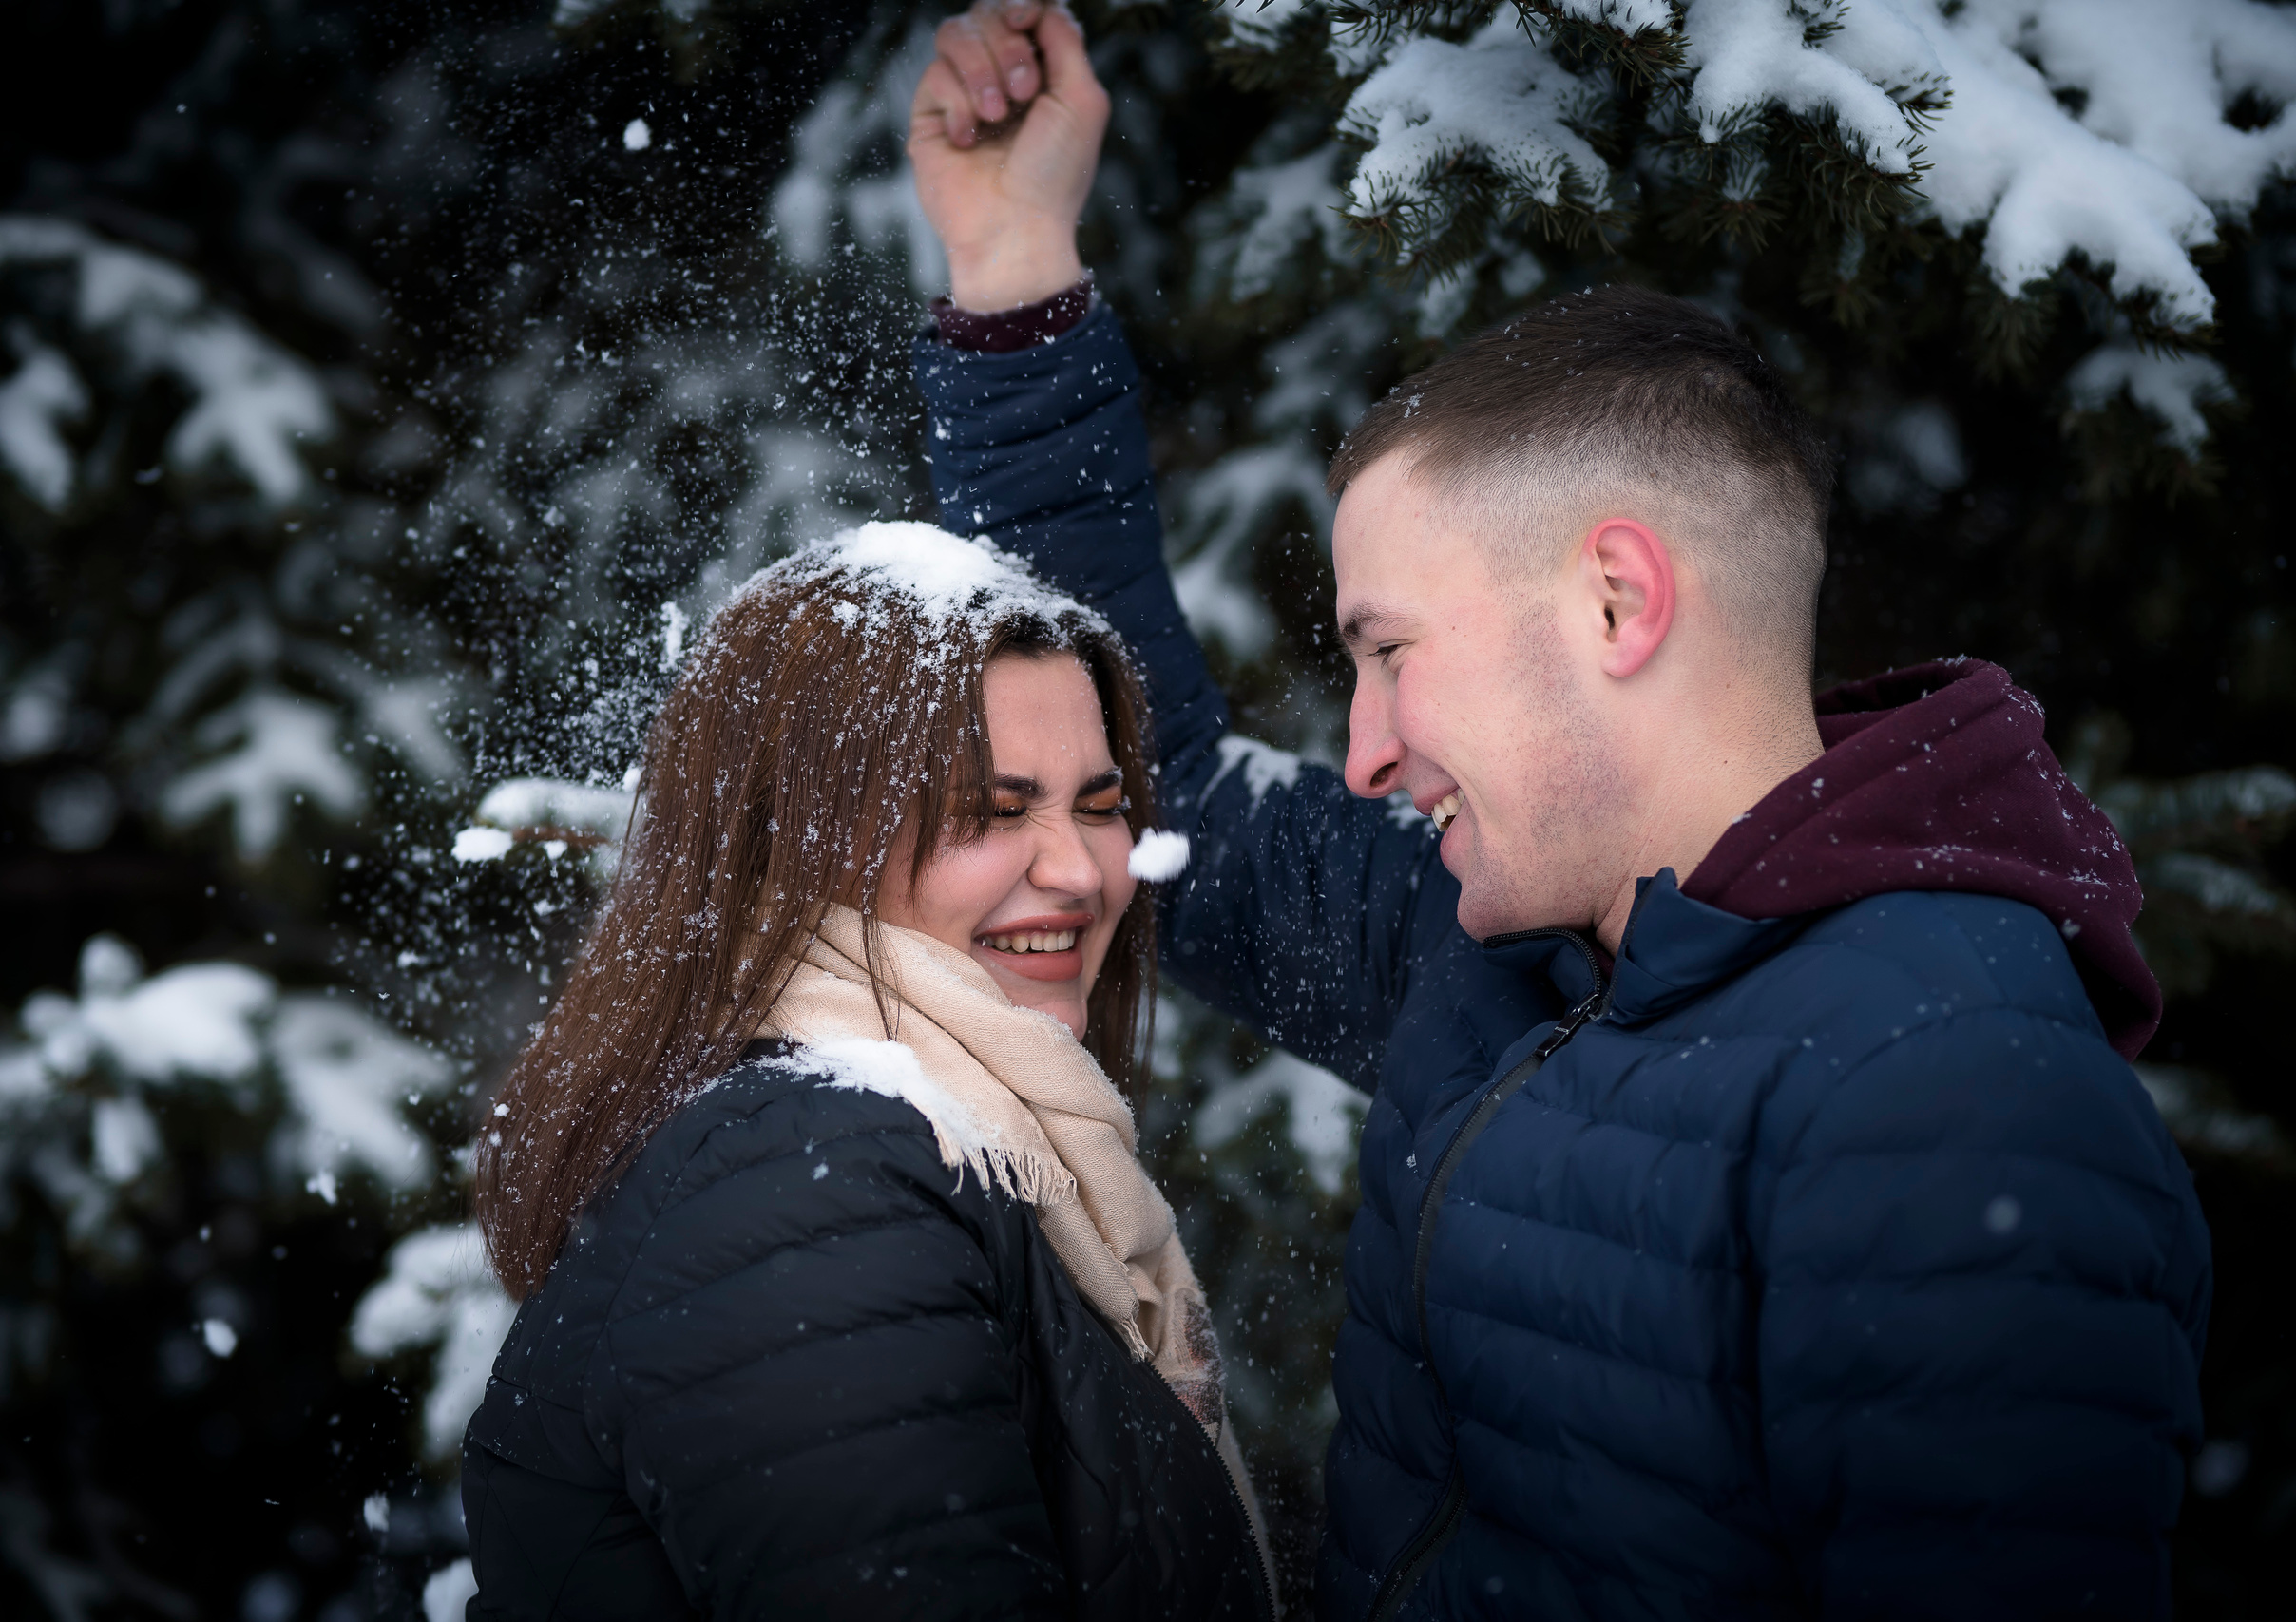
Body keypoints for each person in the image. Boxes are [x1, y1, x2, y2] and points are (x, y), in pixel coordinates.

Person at [907, 6, 2212, 1618]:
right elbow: (1154, 773)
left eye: (1389, 651)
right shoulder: (1502, 952)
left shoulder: (1945, 1093)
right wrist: (1013, 260)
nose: (1368, 750)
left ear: (1616, 603)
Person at [461, 523, 1273, 1620]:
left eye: (1097, 804)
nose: (1080, 869)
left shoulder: (887, 1147)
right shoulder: (814, 1188)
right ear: (802, 835)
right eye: (989, 812)